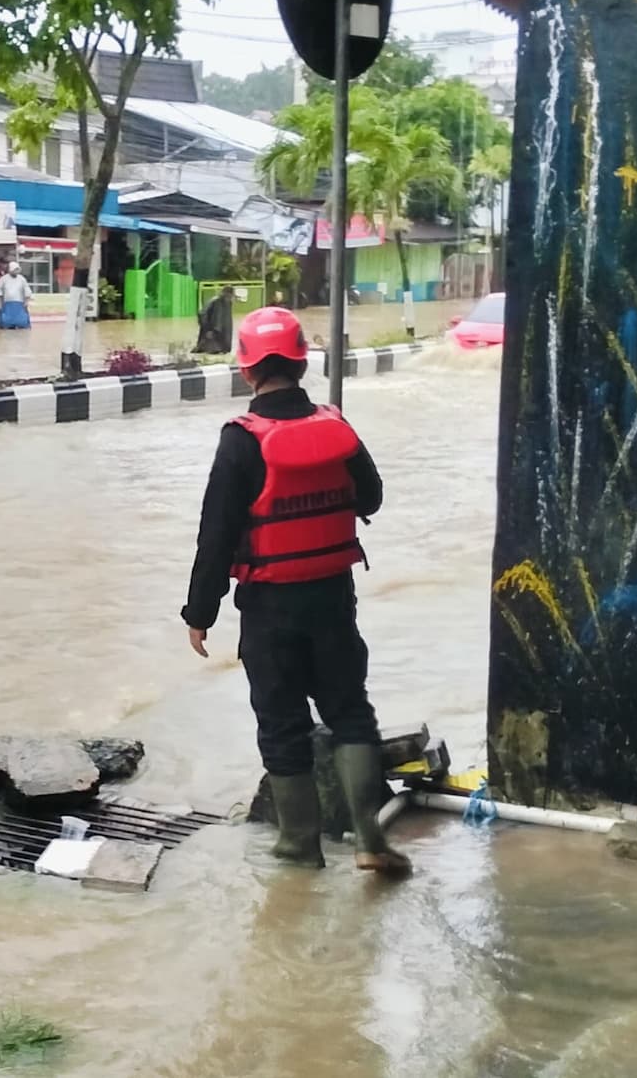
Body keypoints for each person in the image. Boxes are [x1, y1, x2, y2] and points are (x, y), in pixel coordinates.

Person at [181, 306, 408, 875]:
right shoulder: (337, 427)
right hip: (333, 597)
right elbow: (372, 498)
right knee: (350, 711)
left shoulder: (240, 442)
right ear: (303, 362)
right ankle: (369, 842)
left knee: (283, 724)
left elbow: (216, 534)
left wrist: (199, 612)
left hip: (269, 607)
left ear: (247, 370)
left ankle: (299, 849)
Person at [194, 288, 233, 354]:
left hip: (222, 341)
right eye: (229, 295)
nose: (230, 297)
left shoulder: (228, 303)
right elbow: (202, 314)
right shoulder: (214, 301)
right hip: (211, 336)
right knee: (206, 354)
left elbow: (226, 321)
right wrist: (207, 329)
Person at [0, 261, 33, 329]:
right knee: (6, 323)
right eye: (15, 270)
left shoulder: (21, 279)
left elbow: (27, 291)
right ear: (11, 270)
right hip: (7, 305)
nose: (17, 272)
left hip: (19, 305)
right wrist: (0, 306)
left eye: (17, 270)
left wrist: (26, 302)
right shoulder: (3, 279)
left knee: (22, 323)